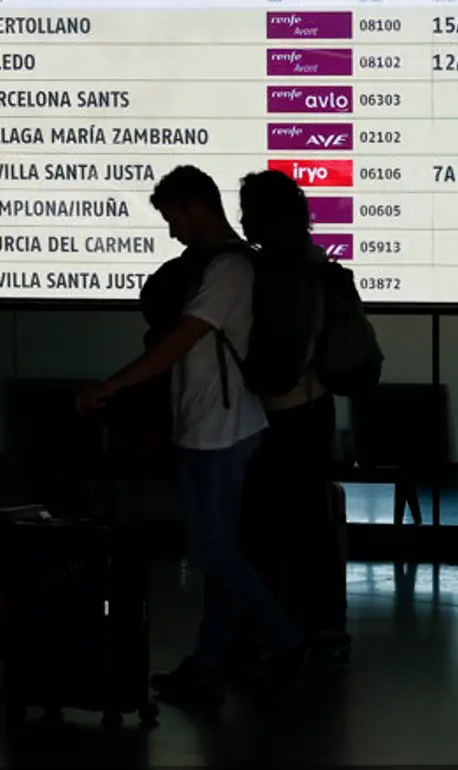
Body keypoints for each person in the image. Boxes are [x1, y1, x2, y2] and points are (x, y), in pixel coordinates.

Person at [77, 166, 304, 706]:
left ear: (198, 205)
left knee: (211, 548)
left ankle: (288, 643)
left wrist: (113, 385)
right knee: (218, 547)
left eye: (173, 216)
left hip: (221, 429)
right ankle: (210, 658)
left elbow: (179, 342)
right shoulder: (216, 267)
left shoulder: (228, 271)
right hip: (213, 425)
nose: (172, 230)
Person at [235, 170, 350, 672]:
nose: (242, 220)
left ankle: (277, 627)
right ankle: (320, 623)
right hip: (313, 405)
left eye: (248, 209)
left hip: (282, 412)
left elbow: (278, 356)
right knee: (310, 521)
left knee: (267, 521)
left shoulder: (277, 268)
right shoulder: (313, 258)